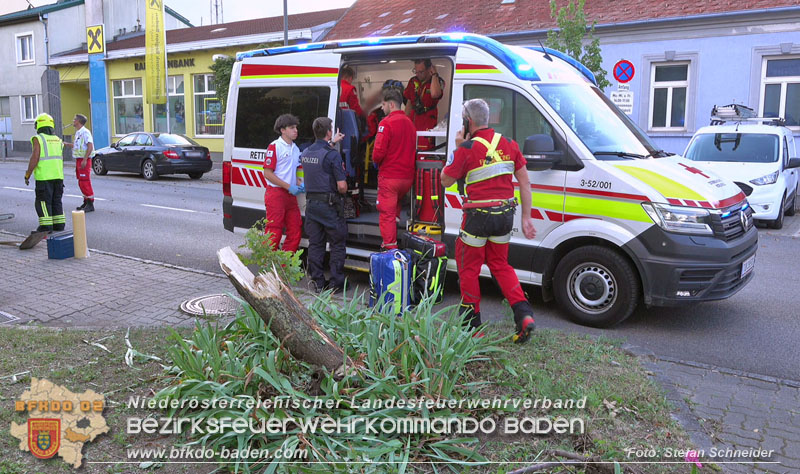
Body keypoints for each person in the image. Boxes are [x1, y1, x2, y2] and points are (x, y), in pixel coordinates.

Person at [441, 99, 537, 343]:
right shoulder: (510, 144)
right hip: (505, 216)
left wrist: (457, 147)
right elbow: (525, 182)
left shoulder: (467, 149)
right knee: (500, 265)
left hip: (477, 218)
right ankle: (524, 314)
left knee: (469, 268)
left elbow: (445, 180)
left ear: (468, 122)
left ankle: (473, 327)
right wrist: (526, 218)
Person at [301, 117, 347, 292]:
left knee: (316, 244)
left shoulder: (305, 153)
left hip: (311, 206)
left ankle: (318, 283)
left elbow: (319, 157)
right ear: (329, 132)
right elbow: (341, 186)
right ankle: (336, 285)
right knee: (337, 244)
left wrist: (331, 143)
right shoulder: (332, 155)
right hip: (329, 206)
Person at [372, 88, 416, 249]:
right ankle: (396, 228)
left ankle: (390, 250)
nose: (382, 108)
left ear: (391, 104)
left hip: (390, 178)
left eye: (383, 105)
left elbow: (378, 153)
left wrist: (375, 161)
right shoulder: (410, 124)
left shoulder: (386, 123)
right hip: (407, 179)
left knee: (386, 214)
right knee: (395, 209)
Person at [263, 114, 304, 252]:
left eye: (296, 127)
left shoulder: (295, 148)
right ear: (283, 130)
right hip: (276, 194)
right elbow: (267, 173)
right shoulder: (275, 146)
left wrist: (299, 183)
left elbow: (294, 171)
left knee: (295, 230)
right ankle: (268, 267)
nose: (296, 130)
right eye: (292, 128)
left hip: (290, 195)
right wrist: (288, 186)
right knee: (274, 232)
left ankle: (284, 265)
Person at [24, 113, 66, 233]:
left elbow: (35, 157)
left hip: (44, 177)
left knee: (43, 202)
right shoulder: (58, 139)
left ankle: (46, 226)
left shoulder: (38, 138)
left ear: (39, 125)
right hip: (58, 176)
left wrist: (28, 174)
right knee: (56, 200)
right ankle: (59, 224)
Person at [404, 59, 445, 149]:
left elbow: (435, 94)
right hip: (413, 120)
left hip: (427, 121)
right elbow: (409, 103)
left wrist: (434, 75)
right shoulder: (412, 81)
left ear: (429, 69)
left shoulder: (438, 81)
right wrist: (404, 122)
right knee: (409, 147)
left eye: (421, 72)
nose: (417, 74)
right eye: (416, 71)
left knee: (425, 148)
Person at [64, 114, 95, 212]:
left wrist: (85, 159)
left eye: (75, 119)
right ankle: (86, 201)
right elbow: (78, 146)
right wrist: (67, 144)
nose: (73, 121)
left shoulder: (85, 132)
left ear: (79, 121)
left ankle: (90, 203)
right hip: (79, 159)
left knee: (85, 181)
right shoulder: (78, 133)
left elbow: (90, 146)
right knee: (81, 181)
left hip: (84, 160)